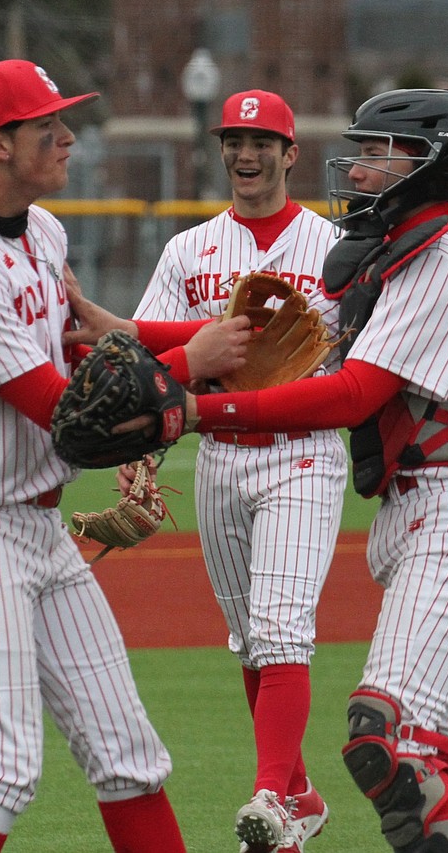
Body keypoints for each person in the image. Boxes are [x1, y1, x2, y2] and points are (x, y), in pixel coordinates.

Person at [0, 58, 249, 853]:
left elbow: (90, 356)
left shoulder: (43, 234)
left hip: (40, 529)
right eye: (47, 124)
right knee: (1, 769)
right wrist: (192, 364)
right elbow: (69, 417)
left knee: (130, 758)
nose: (68, 135)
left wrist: (177, 352)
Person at [165, 89, 448, 853]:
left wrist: (196, 413)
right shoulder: (393, 256)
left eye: (377, 153)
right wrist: (119, 339)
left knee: (383, 735)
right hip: (420, 512)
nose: (358, 167)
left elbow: (353, 393)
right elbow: (266, 337)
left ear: (429, 164)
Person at [135, 90, 346, 853]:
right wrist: (141, 453)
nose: (246, 153)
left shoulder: (335, 248)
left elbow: (365, 358)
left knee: (284, 629)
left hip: (303, 452)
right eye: (235, 139)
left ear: (292, 154)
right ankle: (300, 794)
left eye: (262, 140)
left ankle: (269, 798)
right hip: (221, 458)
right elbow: (155, 367)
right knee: (251, 640)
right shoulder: (188, 252)